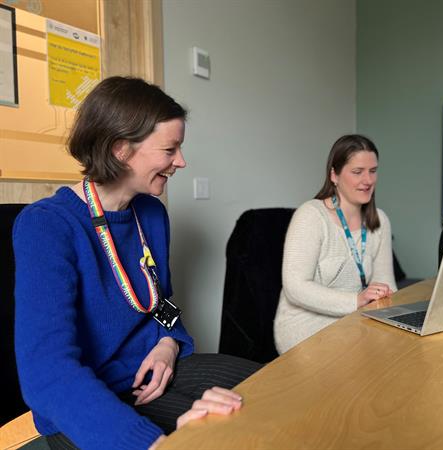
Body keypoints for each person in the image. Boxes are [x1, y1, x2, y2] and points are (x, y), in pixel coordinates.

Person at [13, 77, 261, 450]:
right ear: (120, 150)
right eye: (169, 149)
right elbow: (47, 374)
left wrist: (169, 343)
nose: (181, 161)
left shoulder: (151, 213)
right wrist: (154, 445)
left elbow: (163, 303)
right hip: (85, 398)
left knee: (268, 396)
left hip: (151, 372)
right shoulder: (47, 225)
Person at [273, 134, 398, 354]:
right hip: (305, 327)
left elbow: (387, 285)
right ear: (334, 174)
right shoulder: (311, 216)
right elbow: (295, 288)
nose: (368, 180)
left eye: (373, 171)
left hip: (355, 322)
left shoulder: (380, 221)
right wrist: (357, 300)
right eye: (357, 172)